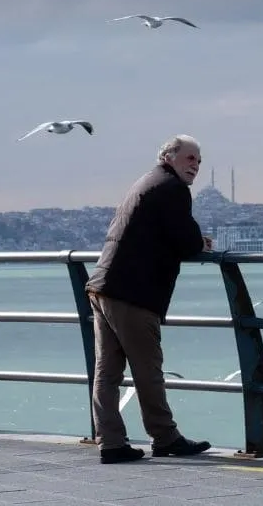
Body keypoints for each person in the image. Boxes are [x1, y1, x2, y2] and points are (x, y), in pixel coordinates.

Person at [84, 134, 214, 464]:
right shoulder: (172, 189)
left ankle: (111, 442)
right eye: (190, 158)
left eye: (198, 160)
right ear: (168, 156)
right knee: (148, 368)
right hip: (132, 291)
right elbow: (186, 242)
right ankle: (165, 437)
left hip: (104, 284)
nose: (196, 166)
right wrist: (201, 240)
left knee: (107, 372)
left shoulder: (146, 182)